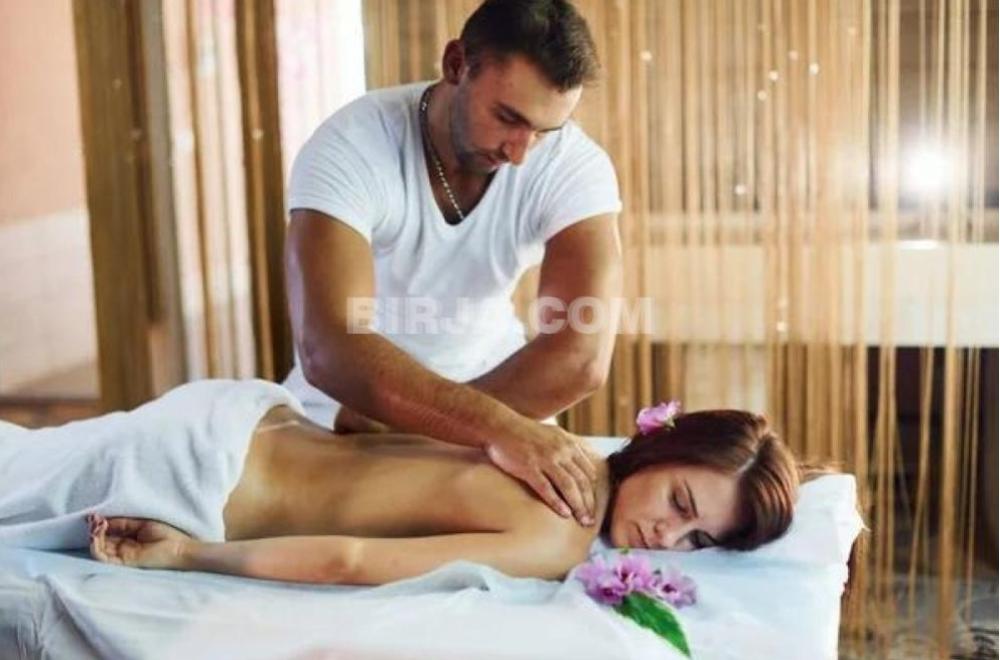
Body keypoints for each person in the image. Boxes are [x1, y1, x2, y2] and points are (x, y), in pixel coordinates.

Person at [282, 0, 623, 527]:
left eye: (544, 131)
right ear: (456, 64)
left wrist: (454, 430)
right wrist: (490, 428)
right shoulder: (352, 145)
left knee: (545, 542)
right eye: (507, 118)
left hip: (511, 405)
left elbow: (581, 356)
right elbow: (328, 347)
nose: (520, 153)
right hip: (345, 411)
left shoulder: (574, 165)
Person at [0, 380, 799, 585]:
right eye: (679, 503)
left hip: (238, 413)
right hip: (197, 478)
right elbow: (350, 562)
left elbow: (359, 419)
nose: (666, 536)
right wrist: (185, 556)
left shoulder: (547, 439)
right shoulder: (558, 535)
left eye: (696, 538)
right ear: (658, 450)